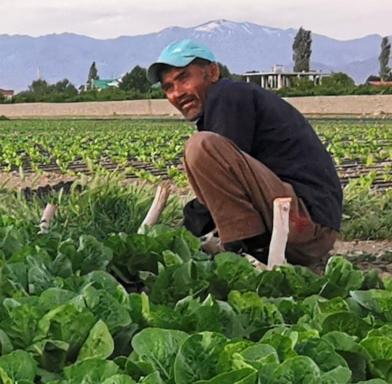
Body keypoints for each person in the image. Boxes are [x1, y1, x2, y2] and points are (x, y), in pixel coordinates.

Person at [147, 40, 343, 267]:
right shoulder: (224, 105)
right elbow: (225, 193)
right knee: (203, 150)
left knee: (201, 146)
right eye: (168, 87)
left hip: (304, 223)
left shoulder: (228, 95)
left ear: (212, 72)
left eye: (183, 78)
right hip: (301, 227)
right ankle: (244, 246)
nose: (177, 93)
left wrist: (181, 232)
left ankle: (245, 250)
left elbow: (221, 183)